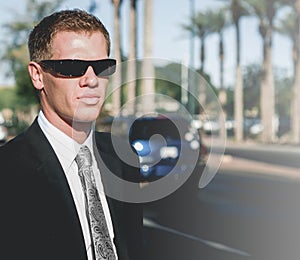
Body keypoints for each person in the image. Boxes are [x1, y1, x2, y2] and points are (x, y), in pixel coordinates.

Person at [0, 9, 142, 260]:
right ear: (37, 75)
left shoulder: (123, 156)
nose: (91, 79)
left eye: (102, 66)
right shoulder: (8, 170)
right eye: (71, 67)